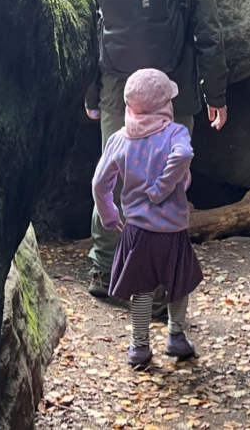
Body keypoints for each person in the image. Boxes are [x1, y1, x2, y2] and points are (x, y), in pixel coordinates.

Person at [85, 0, 229, 298]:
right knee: (167, 185)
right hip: (174, 92)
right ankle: (163, 283)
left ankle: (104, 270)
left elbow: (89, 30)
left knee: (111, 178)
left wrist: (91, 94)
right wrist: (214, 96)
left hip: (118, 92)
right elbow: (209, 34)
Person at [92, 68, 204, 367]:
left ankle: (139, 347)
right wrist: (162, 189)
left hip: (137, 229)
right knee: (179, 284)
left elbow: (100, 183)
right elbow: (183, 156)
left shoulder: (119, 138)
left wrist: (108, 213)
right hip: (172, 230)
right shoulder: (175, 133)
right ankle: (176, 337)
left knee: (141, 289)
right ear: (164, 104)